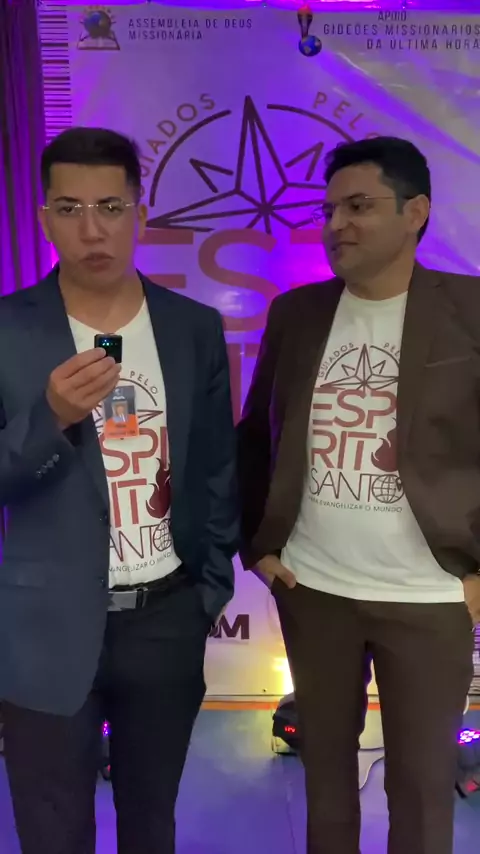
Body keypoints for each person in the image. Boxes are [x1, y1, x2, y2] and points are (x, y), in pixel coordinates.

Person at [237, 136, 480, 854]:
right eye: (329, 210)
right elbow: (255, 437)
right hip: (315, 590)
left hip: (430, 597)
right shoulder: (297, 313)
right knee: (326, 784)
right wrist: (259, 547)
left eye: (359, 206)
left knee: (423, 789)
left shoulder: (470, 309)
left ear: (416, 212)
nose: (337, 224)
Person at [0, 127, 238, 854]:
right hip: (44, 625)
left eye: (110, 206)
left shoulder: (192, 328)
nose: (92, 229)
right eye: (69, 209)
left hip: (165, 617)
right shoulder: (8, 330)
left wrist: (208, 591)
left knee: (151, 823)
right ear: (44, 218)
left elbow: (216, 468)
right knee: (51, 830)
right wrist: (50, 419)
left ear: (140, 212)